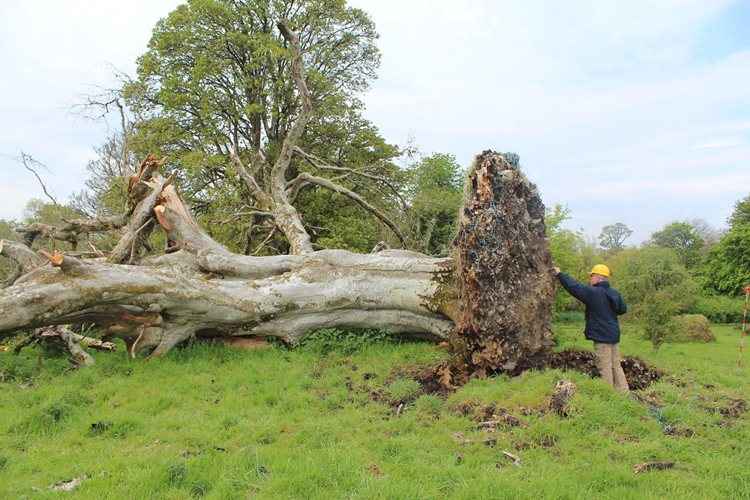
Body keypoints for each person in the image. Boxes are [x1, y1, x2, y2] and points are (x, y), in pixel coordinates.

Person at [553, 264, 629, 392]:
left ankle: (608, 395)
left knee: (604, 366)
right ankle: (624, 393)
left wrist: (560, 274)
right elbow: (622, 309)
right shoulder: (614, 293)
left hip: (602, 336)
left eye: (592, 275)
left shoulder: (594, 292)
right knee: (616, 365)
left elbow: (574, 287)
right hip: (613, 335)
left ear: (599, 277)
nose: (590, 278)